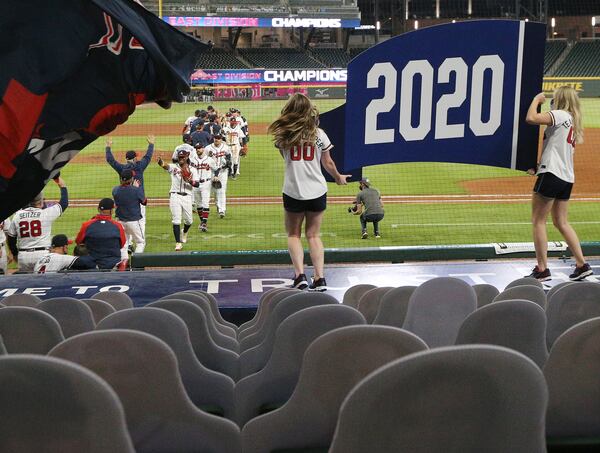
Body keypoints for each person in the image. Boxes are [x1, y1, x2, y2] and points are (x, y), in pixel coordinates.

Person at [268, 93, 350, 291]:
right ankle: (320, 278)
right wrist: (338, 177)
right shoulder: (319, 134)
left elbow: (284, 155)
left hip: (293, 189)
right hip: (317, 190)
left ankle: (300, 276)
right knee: (313, 235)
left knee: (293, 234)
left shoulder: (284, 134)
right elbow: (327, 162)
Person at [525, 86, 593, 281]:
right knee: (561, 222)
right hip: (565, 177)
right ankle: (581, 265)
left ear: (560, 99)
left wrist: (537, 101)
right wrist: (541, 165)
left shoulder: (561, 114)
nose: (552, 100)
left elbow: (531, 119)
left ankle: (542, 268)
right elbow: (556, 150)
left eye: (555, 98)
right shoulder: (571, 120)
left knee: (538, 221)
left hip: (552, 174)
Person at [6, 177, 68, 272]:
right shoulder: (46, 213)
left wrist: (14, 254)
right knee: (42, 281)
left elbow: (11, 239)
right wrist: (62, 186)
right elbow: (64, 203)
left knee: (26, 283)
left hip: (24, 256)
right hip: (42, 255)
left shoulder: (17, 215)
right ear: (40, 201)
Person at [105, 134, 154, 246]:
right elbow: (148, 157)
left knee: (125, 222)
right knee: (141, 221)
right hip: (139, 199)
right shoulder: (139, 167)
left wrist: (108, 147)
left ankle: (128, 244)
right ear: (134, 158)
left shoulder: (122, 169)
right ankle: (140, 242)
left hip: (124, 199)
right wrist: (151, 144)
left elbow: (110, 160)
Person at [160, 146, 200, 250]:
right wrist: (160, 161)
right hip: (175, 196)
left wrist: (189, 180)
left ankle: (184, 232)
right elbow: (165, 166)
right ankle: (178, 243)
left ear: (187, 157)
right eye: (180, 157)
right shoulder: (174, 167)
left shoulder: (193, 170)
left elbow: (197, 184)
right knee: (176, 220)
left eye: (183, 157)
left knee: (189, 221)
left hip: (187, 197)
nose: (181, 158)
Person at [75, 198, 127, 270]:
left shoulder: (86, 225)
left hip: (92, 265)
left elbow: (78, 242)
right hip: (113, 265)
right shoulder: (118, 226)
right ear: (111, 211)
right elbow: (122, 244)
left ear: (98, 209)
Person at [112, 169, 146, 253]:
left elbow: (123, 191)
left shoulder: (115, 190)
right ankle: (137, 264)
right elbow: (144, 202)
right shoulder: (135, 190)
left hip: (120, 222)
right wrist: (137, 188)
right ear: (130, 179)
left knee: (124, 244)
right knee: (140, 242)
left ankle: (124, 263)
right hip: (134, 221)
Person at [205, 133, 232, 218]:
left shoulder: (225, 147)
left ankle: (221, 210)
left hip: (223, 172)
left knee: (221, 191)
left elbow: (228, 155)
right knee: (211, 191)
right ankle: (215, 205)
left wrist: (228, 163)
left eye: (218, 138)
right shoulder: (208, 148)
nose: (216, 139)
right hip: (211, 173)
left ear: (221, 139)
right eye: (215, 138)